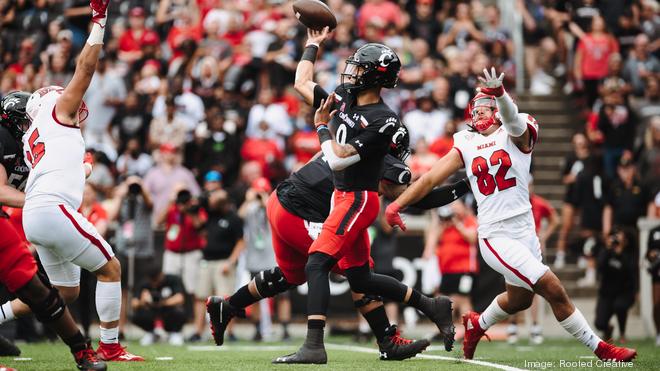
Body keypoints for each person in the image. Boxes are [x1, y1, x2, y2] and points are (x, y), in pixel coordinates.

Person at [385, 67, 637, 362]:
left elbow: (516, 125)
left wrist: (501, 95)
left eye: (485, 107)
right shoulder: (465, 142)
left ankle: (477, 324)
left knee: (520, 299)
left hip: (525, 229)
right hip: (495, 233)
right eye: (475, 108)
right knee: (552, 287)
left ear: (498, 107)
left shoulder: (517, 128)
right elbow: (429, 179)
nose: (478, 113)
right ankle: (601, 348)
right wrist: (396, 204)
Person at [268, 27, 453, 364]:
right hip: (342, 197)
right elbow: (301, 83)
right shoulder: (345, 97)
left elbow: (338, 159)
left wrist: (321, 127)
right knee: (360, 277)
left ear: (375, 77)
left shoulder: (384, 120)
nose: (351, 72)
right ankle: (430, 306)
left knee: (317, 262)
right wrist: (312, 44)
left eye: (359, 68)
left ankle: (313, 345)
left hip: (357, 198)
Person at [207, 129, 470, 363]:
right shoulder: (382, 164)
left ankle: (228, 306)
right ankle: (416, 314)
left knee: (297, 274)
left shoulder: (351, 143)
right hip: (303, 209)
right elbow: (416, 197)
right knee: (343, 269)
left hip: (291, 200)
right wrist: (466, 185)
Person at [1, 1, 143, 362]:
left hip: (38, 213)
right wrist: (99, 19)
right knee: (111, 268)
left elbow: (60, 170)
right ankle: (109, 346)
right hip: (51, 208)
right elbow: (86, 66)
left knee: (63, 294)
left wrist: (85, 169)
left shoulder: (37, 134)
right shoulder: (57, 111)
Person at [0, 90, 106, 369]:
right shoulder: (3, 137)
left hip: (14, 220)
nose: (32, 125)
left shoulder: (32, 143)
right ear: (11, 120)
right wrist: (42, 200)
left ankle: (80, 351)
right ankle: (87, 348)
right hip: (27, 212)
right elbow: (0, 190)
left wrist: (79, 168)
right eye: (26, 121)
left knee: (37, 286)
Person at [190, 188, 244, 342]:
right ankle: (198, 332)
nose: (212, 200)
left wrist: (231, 262)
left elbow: (241, 242)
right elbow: (199, 228)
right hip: (206, 261)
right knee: (200, 297)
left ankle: (230, 332)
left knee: (225, 299)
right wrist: (194, 210)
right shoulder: (211, 215)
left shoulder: (233, 218)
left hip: (224, 262)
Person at [595, 228, 637, 343]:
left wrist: (620, 254)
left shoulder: (629, 254)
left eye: (619, 237)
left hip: (624, 292)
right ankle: (608, 329)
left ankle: (622, 334)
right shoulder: (606, 252)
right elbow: (600, 267)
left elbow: (631, 272)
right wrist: (608, 250)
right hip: (607, 292)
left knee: (620, 306)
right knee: (599, 324)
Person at [131, 266, 186, 346]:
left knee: (179, 312)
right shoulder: (144, 283)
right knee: (137, 316)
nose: (155, 283)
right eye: (152, 281)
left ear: (161, 274)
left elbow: (180, 298)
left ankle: (174, 333)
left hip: (168, 311)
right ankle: (152, 333)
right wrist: (142, 302)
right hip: (151, 311)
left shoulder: (172, 279)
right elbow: (134, 304)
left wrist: (162, 302)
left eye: (156, 280)